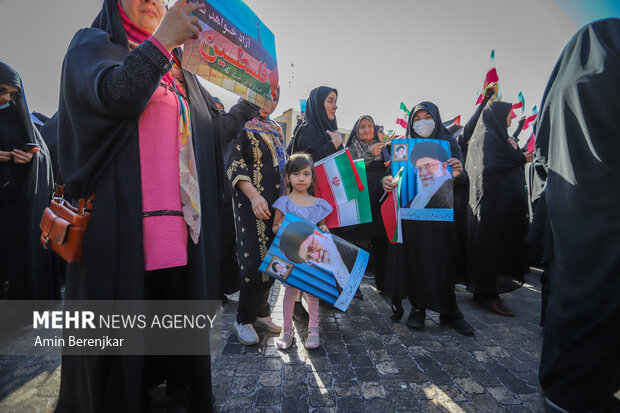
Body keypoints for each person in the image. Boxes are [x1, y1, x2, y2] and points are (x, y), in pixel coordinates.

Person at [54, 1, 259, 411]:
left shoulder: (183, 71)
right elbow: (115, 96)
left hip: (180, 238)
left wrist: (251, 102)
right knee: (122, 359)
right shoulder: (92, 46)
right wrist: (162, 40)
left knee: (172, 356)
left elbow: (212, 131)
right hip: (121, 236)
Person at [536, 18, 620, 413]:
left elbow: (540, 152)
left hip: (568, 206)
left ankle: (561, 387)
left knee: (572, 289)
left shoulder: (565, 85)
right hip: (607, 210)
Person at [382, 102, 474, 336]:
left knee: (444, 260)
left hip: (442, 219)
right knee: (416, 260)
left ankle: (450, 311)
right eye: (417, 118)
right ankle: (418, 308)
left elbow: (461, 181)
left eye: (427, 116)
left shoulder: (449, 143)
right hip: (413, 220)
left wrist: (459, 172)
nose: (423, 122)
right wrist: (387, 182)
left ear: (436, 118)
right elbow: (395, 177)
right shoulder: (401, 146)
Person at [228, 88, 285, 346]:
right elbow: (233, 162)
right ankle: (243, 319)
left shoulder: (275, 128)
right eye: (264, 94)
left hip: (277, 206)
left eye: (274, 96)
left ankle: (261, 312)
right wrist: (253, 196)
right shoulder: (238, 119)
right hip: (250, 204)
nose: (269, 101)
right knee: (253, 263)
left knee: (275, 261)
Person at [465, 101, 532, 317]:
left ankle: (484, 290)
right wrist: (520, 158)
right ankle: (488, 295)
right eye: (508, 115)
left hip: (496, 205)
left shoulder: (494, 135)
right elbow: (492, 165)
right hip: (491, 207)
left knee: (494, 248)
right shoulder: (489, 137)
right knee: (490, 248)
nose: (511, 118)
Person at [0, 62, 57, 301]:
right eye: (1, 90)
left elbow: (43, 156)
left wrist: (32, 158)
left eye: (11, 93)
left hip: (19, 212)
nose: (6, 98)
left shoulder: (17, 118)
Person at [271, 153, 333, 350]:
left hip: (311, 257)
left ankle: (313, 329)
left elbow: (323, 227)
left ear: (312, 178)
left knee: (312, 293)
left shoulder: (318, 204)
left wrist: (324, 231)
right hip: (289, 256)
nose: (301, 178)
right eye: (296, 173)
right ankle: (286, 330)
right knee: (289, 292)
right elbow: (274, 228)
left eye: (306, 174)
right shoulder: (284, 202)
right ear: (288, 177)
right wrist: (280, 226)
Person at [345, 115, 390, 290]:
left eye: (370, 126)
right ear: (357, 130)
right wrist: (370, 154)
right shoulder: (351, 149)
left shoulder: (384, 148)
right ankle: (351, 288)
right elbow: (350, 169)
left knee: (381, 244)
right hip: (360, 204)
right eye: (362, 126)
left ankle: (384, 284)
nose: (367, 130)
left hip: (379, 203)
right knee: (356, 245)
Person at [286, 86, 342, 161]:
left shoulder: (331, 131)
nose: (335, 107)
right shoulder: (308, 130)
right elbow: (303, 164)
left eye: (335, 101)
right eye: (330, 101)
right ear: (318, 103)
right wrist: (332, 145)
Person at [405, 141, 453, 209]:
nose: (424, 173)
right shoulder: (420, 197)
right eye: (419, 168)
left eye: (428, 166)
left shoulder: (452, 192)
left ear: (444, 166)